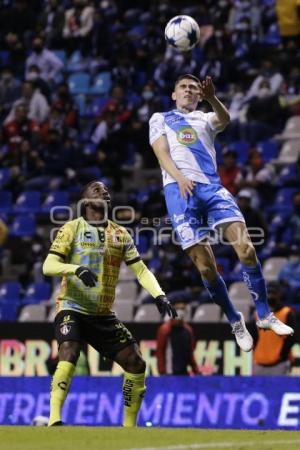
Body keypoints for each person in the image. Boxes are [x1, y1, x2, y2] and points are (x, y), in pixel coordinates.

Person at [149, 74, 293, 353]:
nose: (189, 91)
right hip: (178, 193)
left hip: (212, 189)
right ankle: (234, 319)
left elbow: (224, 120)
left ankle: (264, 315)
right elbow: (161, 152)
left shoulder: (205, 117)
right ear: (173, 94)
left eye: (193, 88)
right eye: (183, 87)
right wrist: (179, 177)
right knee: (206, 267)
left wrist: (212, 97)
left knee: (247, 249)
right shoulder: (160, 117)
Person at [42, 180, 177, 427]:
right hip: (72, 306)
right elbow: (48, 266)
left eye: (106, 190)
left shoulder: (120, 234)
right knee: (69, 351)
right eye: (95, 189)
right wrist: (76, 269)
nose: (103, 191)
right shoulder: (71, 229)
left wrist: (159, 294)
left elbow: (141, 270)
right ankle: (54, 419)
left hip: (102, 314)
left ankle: (128, 428)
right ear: (84, 200)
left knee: (136, 362)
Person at [253, 282, 297, 375]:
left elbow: (292, 337)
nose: (270, 296)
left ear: (279, 295)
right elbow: (255, 336)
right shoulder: (258, 313)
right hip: (260, 362)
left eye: (273, 293)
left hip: (279, 363)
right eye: (268, 293)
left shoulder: (287, 313)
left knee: (279, 389)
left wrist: (282, 355)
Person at [156, 300, 199, 375]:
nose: (180, 313)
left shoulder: (188, 330)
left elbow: (190, 353)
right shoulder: (164, 330)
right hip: (169, 374)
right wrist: (162, 372)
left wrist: (195, 370)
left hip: (183, 374)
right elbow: (160, 352)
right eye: (177, 310)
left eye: (182, 310)